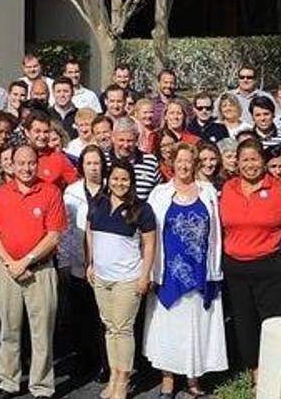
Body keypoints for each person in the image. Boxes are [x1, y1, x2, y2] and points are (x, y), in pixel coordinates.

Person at [144, 142, 227, 398]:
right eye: (179, 160)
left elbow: (217, 232)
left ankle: (193, 378)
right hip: (169, 271)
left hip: (201, 268)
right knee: (168, 326)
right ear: (172, 163)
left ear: (195, 164)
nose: (184, 165)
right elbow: (149, 233)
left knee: (196, 325)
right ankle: (167, 378)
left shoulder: (208, 191)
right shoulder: (159, 193)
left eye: (188, 161)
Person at [0, 144, 66, 399]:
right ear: (12, 165)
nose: (26, 168)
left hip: (40, 272)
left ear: (37, 163)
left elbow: (53, 236)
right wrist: (11, 263)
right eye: (20, 163)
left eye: (30, 162)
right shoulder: (2, 193)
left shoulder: (50, 192)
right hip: (7, 269)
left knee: (41, 332)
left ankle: (41, 386)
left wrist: (27, 260)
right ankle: (8, 381)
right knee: (9, 329)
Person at [85, 160, 157, 399]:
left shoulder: (141, 209)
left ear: (132, 182)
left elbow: (149, 244)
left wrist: (145, 275)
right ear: (108, 179)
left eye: (124, 179)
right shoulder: (98, 203)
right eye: (115, 178)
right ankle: (114, 375)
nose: (119, 183)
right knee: (109, 328)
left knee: (123, 329)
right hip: (102, 278)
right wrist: (90, 264)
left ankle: (123, 381)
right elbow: (89, 233)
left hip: (128, 279)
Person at [219, 138, 281, 386]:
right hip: (235, 267)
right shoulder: (228, 188)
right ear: (237, 163)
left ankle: (275, 368)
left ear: (263, 161)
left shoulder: (280, 188)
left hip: (269, 265)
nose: (250, 165)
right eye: (245, 160)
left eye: (255, 159)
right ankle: (255, 371)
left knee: (271, 320)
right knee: (243, 320)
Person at [60, 145, 109, 384]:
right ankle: (84, 360)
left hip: (107, 266)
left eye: (97, 163)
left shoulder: (113, 188)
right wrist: (65, 263)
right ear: (82, 166)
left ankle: (106, 363)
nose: (93, 168)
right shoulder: (71, 192)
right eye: (88, 163)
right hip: (79, 266)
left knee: (105, 318)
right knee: (82, 316)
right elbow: (66, 232)